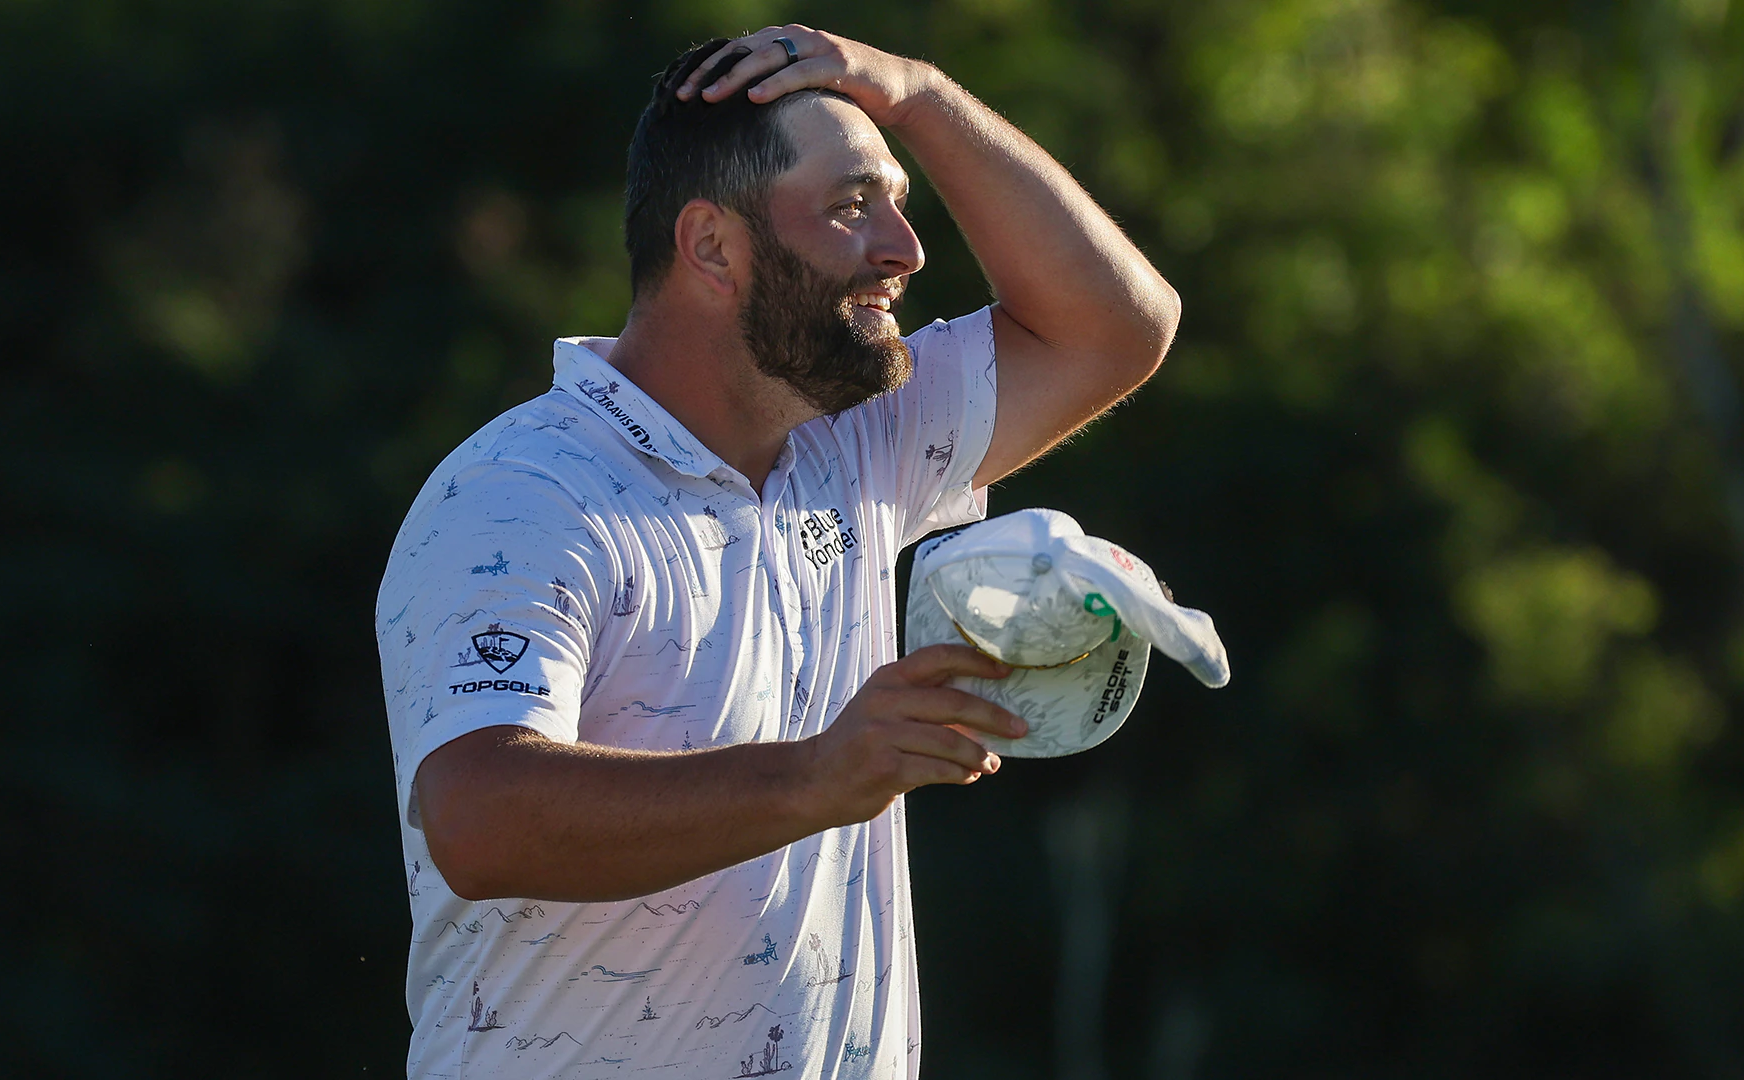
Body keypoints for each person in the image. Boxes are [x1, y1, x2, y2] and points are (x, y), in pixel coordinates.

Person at [375, 25, 1180, 1079]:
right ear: (712, 247)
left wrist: (922, 97)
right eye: (853, 205)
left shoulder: (855, 442)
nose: (906, 246)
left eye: (897, 199)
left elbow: (1116, 328)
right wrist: (814, 775)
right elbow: (477, 819)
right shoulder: (523, 493)